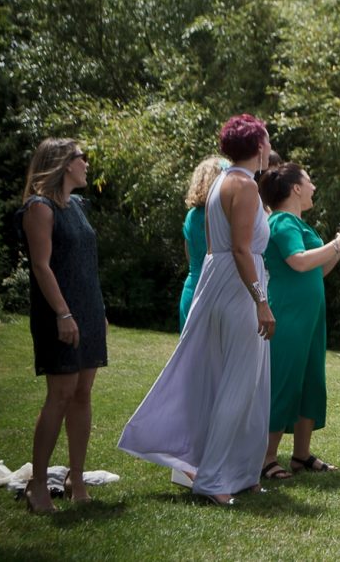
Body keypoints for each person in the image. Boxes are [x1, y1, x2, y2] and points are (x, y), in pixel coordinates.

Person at [119, 114, 275, 506]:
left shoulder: (222, 180)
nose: (270, 148)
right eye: (268, 141)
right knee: (240, 384)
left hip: (218, 281)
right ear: (258, 147)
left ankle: (240, 472)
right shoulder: (244, 186)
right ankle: (215, 478)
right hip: (239, 288)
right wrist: (260, 300)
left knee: (240, 381)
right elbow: (240, 248)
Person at [258, 163, 340, 480]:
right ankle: (265, 457)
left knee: (310, 381)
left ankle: (301, 456)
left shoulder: (296, 223)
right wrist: (335, 245)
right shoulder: (282, 222)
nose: (313, 186)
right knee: (286, 380)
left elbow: (317, 270)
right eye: (309, 180)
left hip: (309, 315)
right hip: (289, 313)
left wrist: (338, 250)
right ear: (295, 188)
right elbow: (298, 261)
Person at [18, 139, 107, 512]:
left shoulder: (79, 205)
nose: (86, 163)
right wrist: (63, 313)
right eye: (80, 157)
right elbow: (42, 266)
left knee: (83, 393)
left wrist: (97, 309)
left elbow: (86, 262)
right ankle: (38, 485)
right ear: (62, 163)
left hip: (87, 309)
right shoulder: (39, 207)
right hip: (60, 312)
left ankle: (77, 478)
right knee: (61, 393)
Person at [179, 156, 225, 331]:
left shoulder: (191, 215)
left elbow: (190, 258)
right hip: (215, 292)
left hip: (192, 290)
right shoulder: (223, 216)